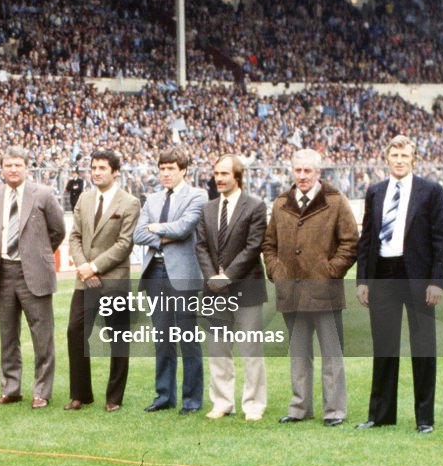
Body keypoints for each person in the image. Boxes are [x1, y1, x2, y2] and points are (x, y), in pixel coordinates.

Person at [355, 135, 443, 434]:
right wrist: (363, 280)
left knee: (423, 347)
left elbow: (441, 239)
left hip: (418, 278)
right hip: (383, 273)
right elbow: (367, 239)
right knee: (384, 347)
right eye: (394, 154)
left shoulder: (431, 191)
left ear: (413, 158)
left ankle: (425, 419)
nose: (399, 159)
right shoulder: (375, 191)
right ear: (387, 158)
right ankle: (380, 415)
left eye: (404, 155)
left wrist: (437, 282)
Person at [263, 149, 358, 427]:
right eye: (298, 170)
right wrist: (277, 272)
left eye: (308, 171)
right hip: (290, 290)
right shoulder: (281, 203)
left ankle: (334, 410)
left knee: (332, 354)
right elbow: (269, 245)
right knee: (298, 354)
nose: (302, 176)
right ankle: (299, 407)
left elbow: (350, 242)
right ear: (292, 171)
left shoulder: (335, 201)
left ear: (319, 172)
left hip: (324, 291)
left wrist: (330, 272)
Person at [0, 146, 66, 409]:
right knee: (8, 337)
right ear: (2, 168)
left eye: (18, 164)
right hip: (4, 273)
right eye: (9, 165)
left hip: (33, 274)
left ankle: (41, 391)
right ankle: (11, 388)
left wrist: (35, 255)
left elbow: (58, 231)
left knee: (42, 337)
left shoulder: (42, 194)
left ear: (27, 167)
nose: (13, 169)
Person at [65, 150, 140, 413]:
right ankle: (80, 394)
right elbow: (74, 236)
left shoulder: (129, 202)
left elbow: (125, 244)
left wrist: (94, 266)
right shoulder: (84, 199)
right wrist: (83, 265)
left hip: (114, 280)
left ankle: (114, 397)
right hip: (85, 281)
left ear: (115, 172)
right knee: (75, 333)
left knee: (118, 338)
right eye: (94, 167)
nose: (96, 172)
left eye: (102, 168)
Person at [194, 154, 268, 422]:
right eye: (216, 174)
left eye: (224, 174)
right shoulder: (207, 209)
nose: (219, 179)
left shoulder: (255, 206)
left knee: (250, 349)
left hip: (246, 288)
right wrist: (212, 276)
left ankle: (254, 404)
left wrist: (228, 276)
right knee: (218, 349)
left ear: (238, 176)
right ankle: (223, 402)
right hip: (214, 290)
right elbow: (201, 246)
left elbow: (253, 247)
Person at [134, 149, 208, 415]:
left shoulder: (197, 195)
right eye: (162, 168)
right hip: (155, 272)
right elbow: (138, 234)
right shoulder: (152, 199)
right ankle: (164, 395)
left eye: (171, 168)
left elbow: (184, 228)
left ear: (183, 170)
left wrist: (157, 229)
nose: (165, 173)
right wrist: (162, 234)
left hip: (183, 273)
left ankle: (191, 399)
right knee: (162, 338)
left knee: (187, 337)